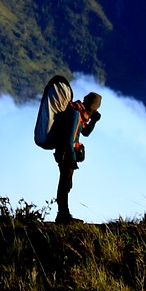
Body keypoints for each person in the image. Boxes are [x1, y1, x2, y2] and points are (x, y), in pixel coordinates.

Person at [51, 92, 101, 223]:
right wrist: (72, 159)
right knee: (64, 183)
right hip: (66, 153)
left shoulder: (81, 114)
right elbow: (69, 139)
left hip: (67, 152)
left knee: (66, 183)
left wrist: (94, 121)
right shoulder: (75, 113)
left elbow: (85, 133)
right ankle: (63, 215)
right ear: (92, 106)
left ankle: (63, 214)